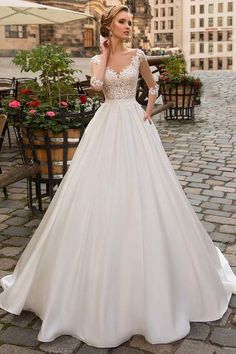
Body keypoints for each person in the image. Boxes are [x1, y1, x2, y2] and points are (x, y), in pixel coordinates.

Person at [0, 4, 235, 348]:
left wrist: (148, 114)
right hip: (106, 125)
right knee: (97, 192)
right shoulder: (98, 59)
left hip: (134, 124)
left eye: (129, 21)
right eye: (122, 22)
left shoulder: (140, 54)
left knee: (147, 191)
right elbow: (96, 87)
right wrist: (103, 61)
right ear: (108, 26)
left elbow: (153, 88)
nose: (128, 26)